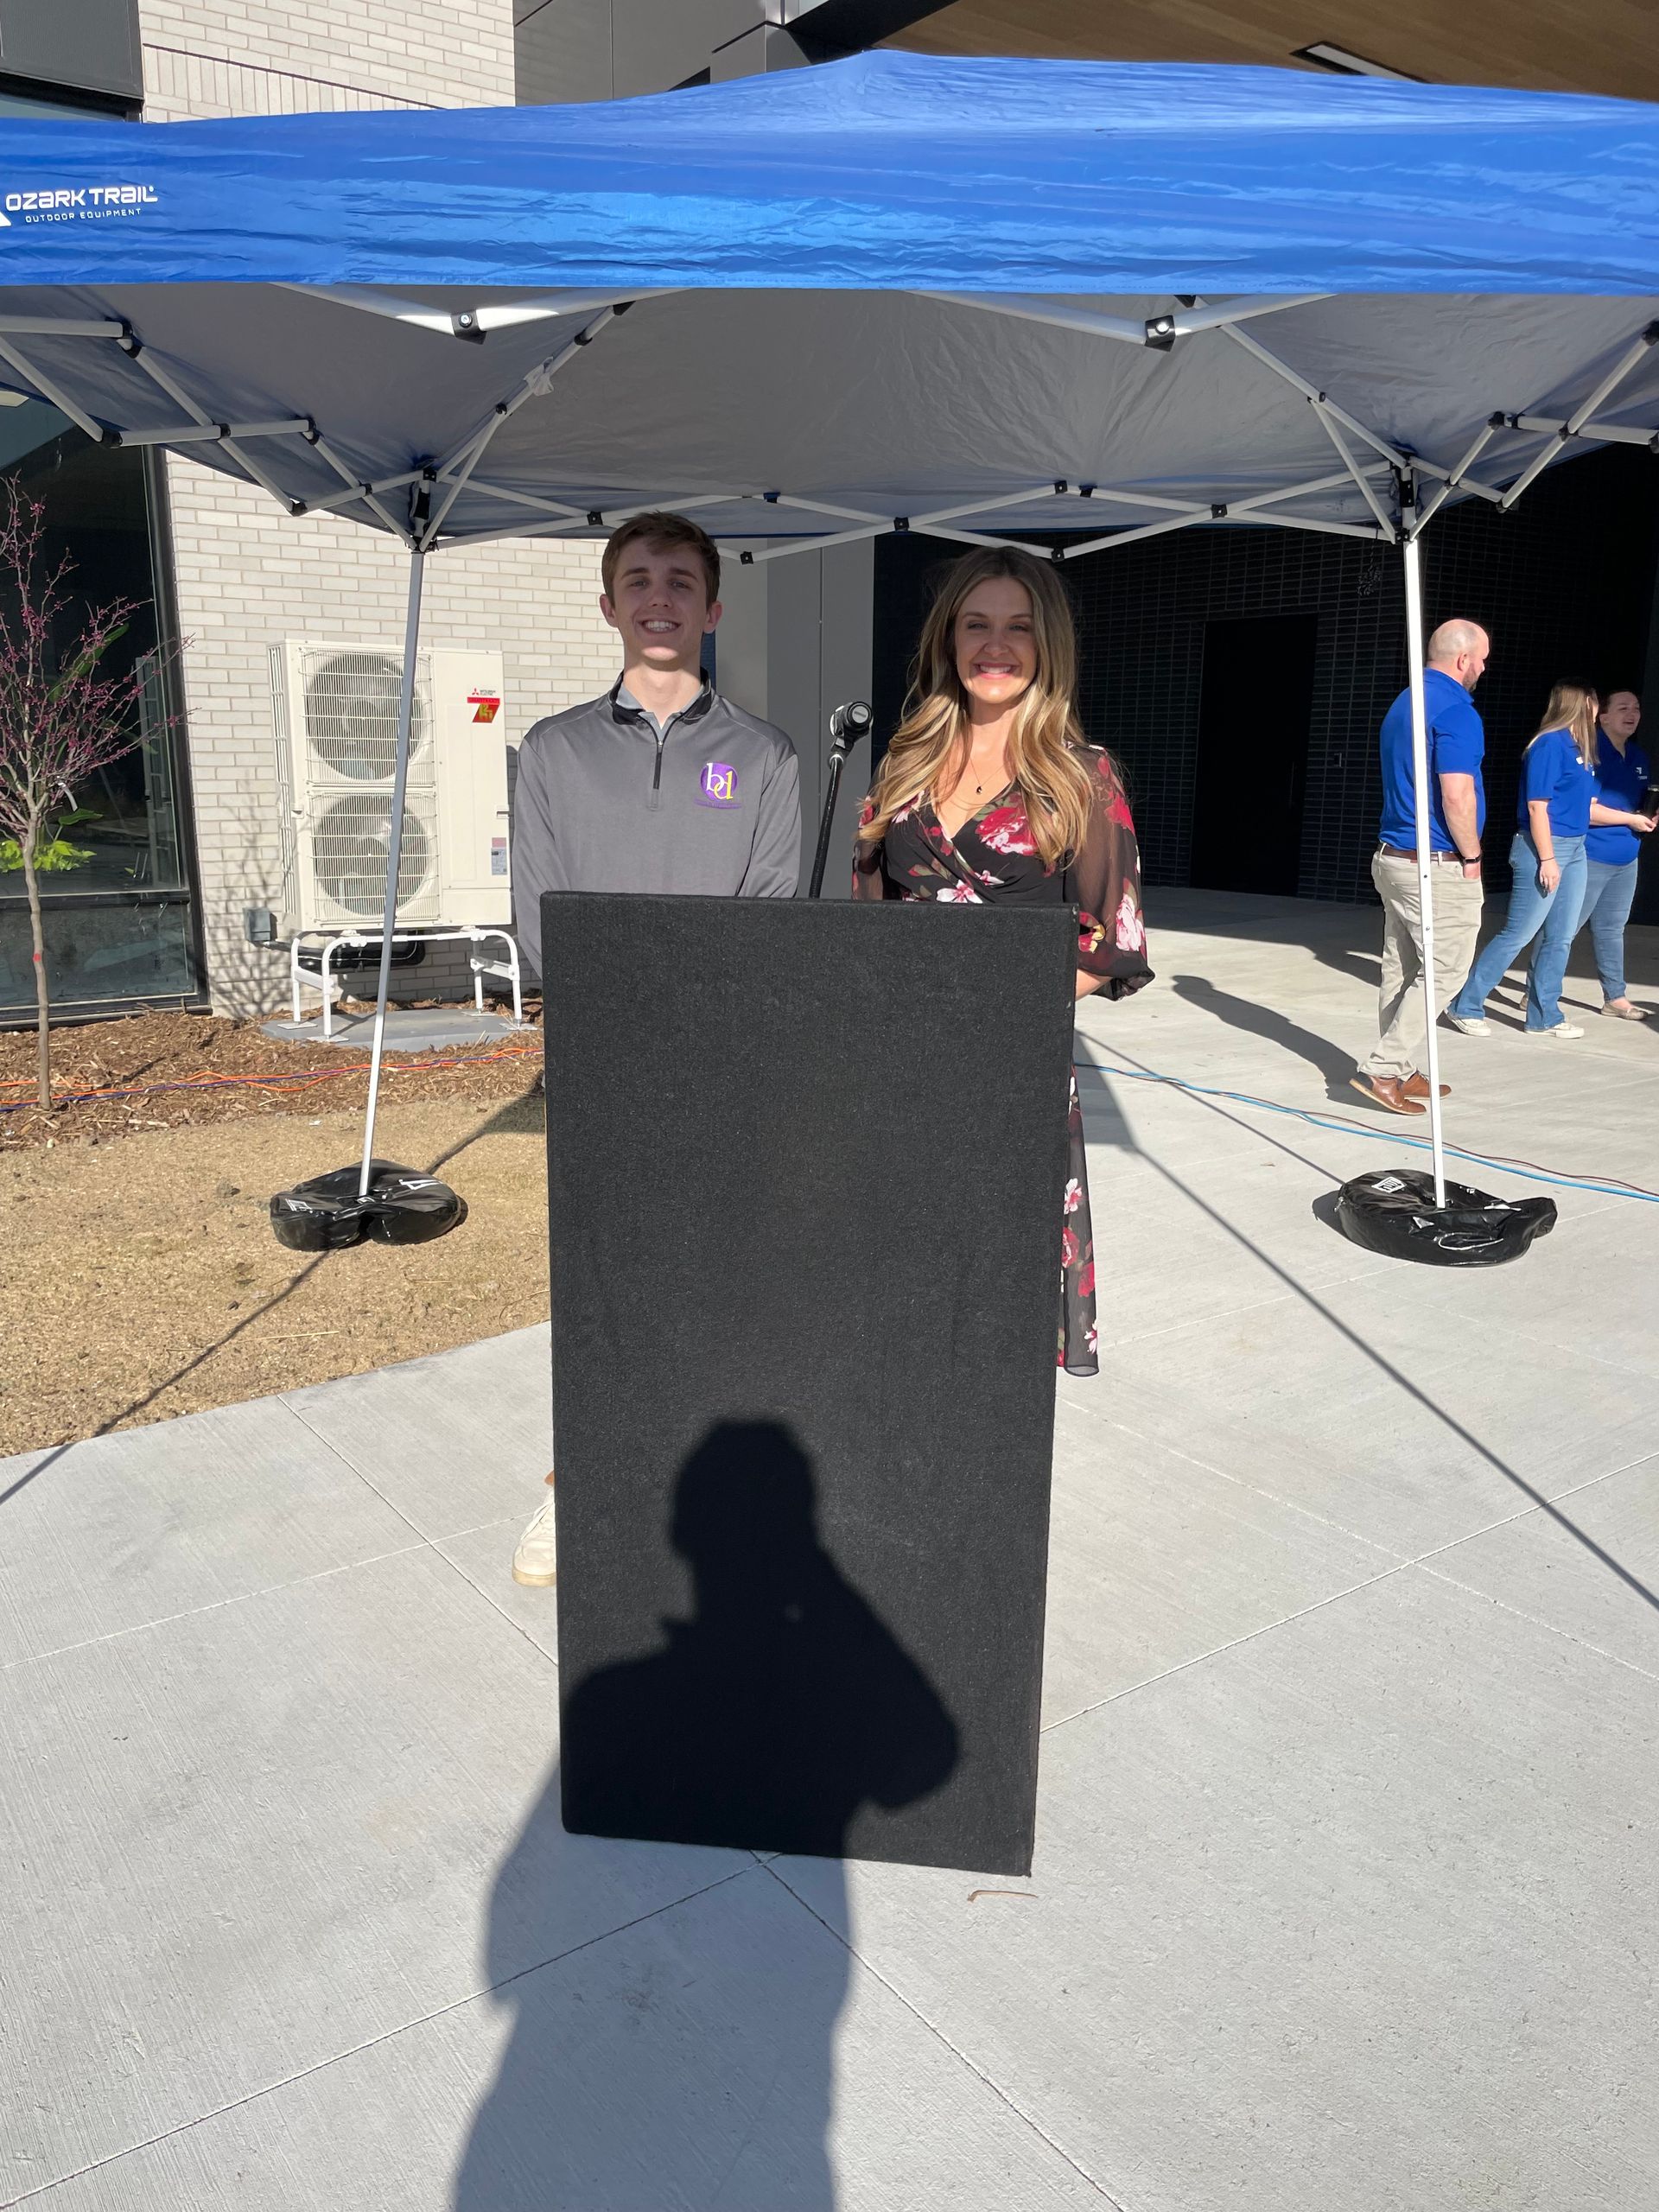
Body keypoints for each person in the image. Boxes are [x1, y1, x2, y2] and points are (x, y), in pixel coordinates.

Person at [508, 511, 802, 1588]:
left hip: (728, 1074)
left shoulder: (764, 755)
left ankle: (710, 1496)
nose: (660, 597)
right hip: (600, 1071)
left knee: (723, 1288)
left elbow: (771, 916)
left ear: (714, 608)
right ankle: (569, 1491)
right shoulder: (552, 751)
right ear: (608, 605)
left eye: (682, 581)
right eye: (639, 580)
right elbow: (544, 924)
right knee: (597, 1291)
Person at [851, 545, 1152, 1376]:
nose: (996, 646)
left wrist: (993, 1006)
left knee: (997, 1297)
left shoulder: (1082, 780)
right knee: (904, 1289)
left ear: (1046, 643)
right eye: (977, 624)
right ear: (949, 639)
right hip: (902, 1068)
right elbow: (865, 922)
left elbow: (1113, 943)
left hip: (1010, 1067)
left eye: (1018, 628)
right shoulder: (903, 768)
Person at [1351, 619, 1489, 1116]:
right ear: (1461, 659)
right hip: (1435, 861)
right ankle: (1384, 1068)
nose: (1483, 668)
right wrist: (1472, 857)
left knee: (1403, 965)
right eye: (1481, 659)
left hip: (1394, 857)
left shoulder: (1404, 701)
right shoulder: (1456, 709)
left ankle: (1398, 1067)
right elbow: (1457, 793)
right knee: (1448, 967)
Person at [1447, 682, 1599, 1038]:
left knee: (1560, 936)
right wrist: (1547, 858)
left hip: (1575, 847)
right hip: (1544, 847)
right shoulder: (1550, 744)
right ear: (1582, 704)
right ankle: (1466, 1003)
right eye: (1595, 702)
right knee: (1520, 932)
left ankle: (1544, 1014)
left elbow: (1584, 805)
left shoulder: (1584, 748)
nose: (1599, 710)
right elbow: (1537, 806)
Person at [1573, 688, 1655, 1019]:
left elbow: (1633, 806)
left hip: (1627, 857)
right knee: (1566, 929)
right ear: (1602, 717)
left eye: (1636, 707)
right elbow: (1588, 811)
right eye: (1622, 708)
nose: (1631, 713)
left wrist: (1645, 817)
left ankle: (1615, 997)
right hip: (1592, 856)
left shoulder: (1638, 757)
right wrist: (1631, 818)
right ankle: (1539, 991)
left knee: (1612, 929)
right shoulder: (1591, 754)